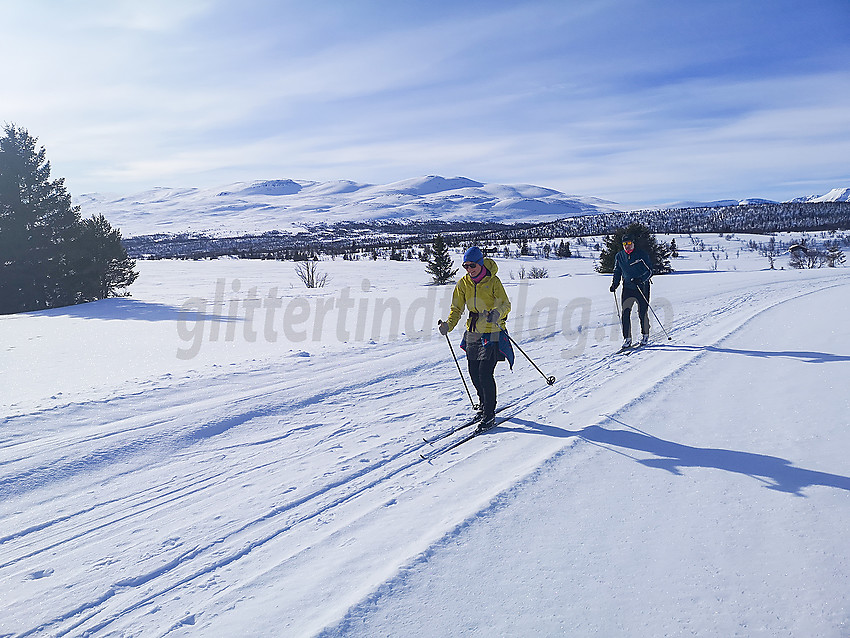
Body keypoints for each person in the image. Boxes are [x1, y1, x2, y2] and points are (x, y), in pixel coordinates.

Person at [439, 246, 513, 433]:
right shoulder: (463, 283)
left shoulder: (493, 281)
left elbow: (506, 304)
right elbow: (456, 309)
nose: (469, 269)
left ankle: (489, 414)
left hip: (492, 330)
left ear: (480, 263)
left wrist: (497, 313)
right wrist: (448, 325)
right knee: (473, 371)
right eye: (466, 266)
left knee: (485, 372)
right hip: (472, 331)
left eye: (472, 265)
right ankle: (483, 403)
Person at [610, 234, 653, 348]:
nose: (627, 246)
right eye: (624, 244)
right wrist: (615, 283)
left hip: (642, 287)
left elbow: (649, 271)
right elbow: (617, 270)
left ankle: (645, 334)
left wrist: (641, 279)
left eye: (629, 243)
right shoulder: (620, 256)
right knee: (625, 312)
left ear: (633, 243)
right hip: (628, 287)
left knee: (642, 312)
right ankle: (627, 338)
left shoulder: (641, 254)